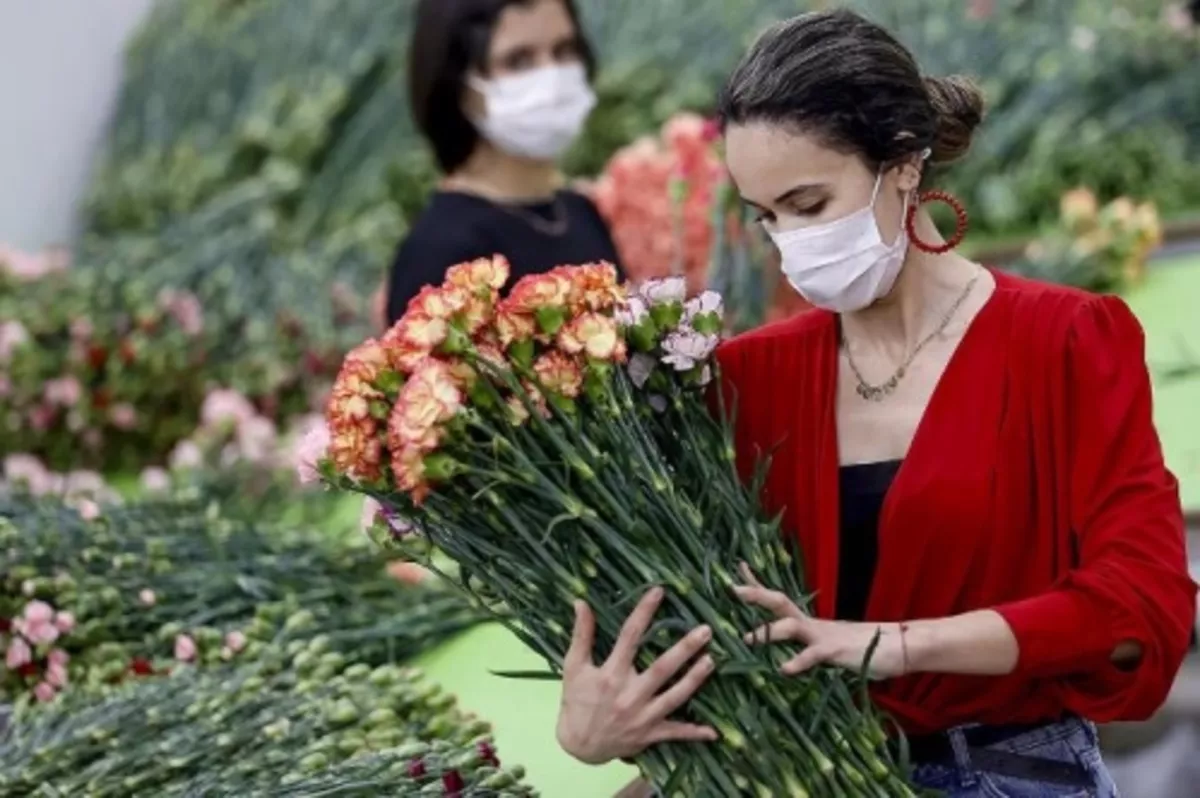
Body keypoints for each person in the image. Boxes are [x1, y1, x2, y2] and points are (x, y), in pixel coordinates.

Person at [554, 9, 1196, 797]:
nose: (789, 243)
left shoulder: (1062, 341)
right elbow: (677, 611)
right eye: (767, 217)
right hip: (801, 770)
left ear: (902, 162)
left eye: (810, 203)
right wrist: (597, 719)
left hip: (1011, 774)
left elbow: (1140, 607)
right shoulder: (740, 381)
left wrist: (893, 646)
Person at [381, 0, 623, 327]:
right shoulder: (440, 252)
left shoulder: (580, 212)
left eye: (564, 50)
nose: (550, 76)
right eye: (519, 60)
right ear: (457, 82)